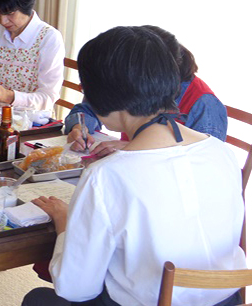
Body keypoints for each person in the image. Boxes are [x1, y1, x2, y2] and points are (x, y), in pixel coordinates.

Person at [23, 26, 245, 306]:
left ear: (102, 97)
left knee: (39, 300)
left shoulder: (108, 175)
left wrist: (66, 221)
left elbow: (75, 288)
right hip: (230, 300)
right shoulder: (219, 151)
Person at [64, 25, 227, 156]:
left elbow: (201, 161)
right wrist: (78, 127)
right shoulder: (133, 83)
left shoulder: (204, 104)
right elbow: (90, 107)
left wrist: (135, 148)